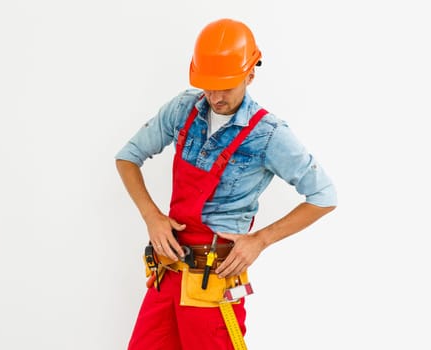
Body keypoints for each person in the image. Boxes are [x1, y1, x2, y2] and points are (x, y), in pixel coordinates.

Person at [115, 18, 337, 350]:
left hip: (214, 284)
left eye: (227, 86)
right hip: (168, 272)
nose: (216, 96)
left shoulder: (269, 135)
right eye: (208, 85)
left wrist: (260, 240)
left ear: (250, 74)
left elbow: (324, 195)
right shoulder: (182, 110)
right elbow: (128, 157)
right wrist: (152, 217)